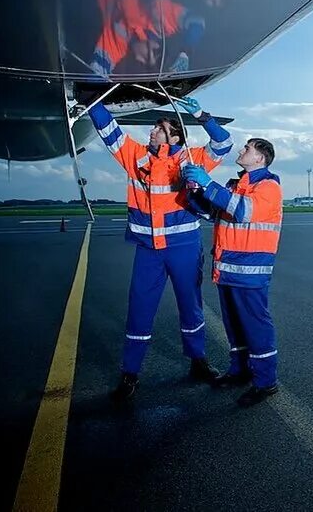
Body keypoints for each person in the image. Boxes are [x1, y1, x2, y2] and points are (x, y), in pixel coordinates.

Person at [88, 96, 232, 400]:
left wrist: (203, 116)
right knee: (139, 309)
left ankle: (198, 360)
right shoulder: (135, 156)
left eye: (160, 128)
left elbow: (223, 143)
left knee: (190, 306)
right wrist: (88, 95)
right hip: (148, 249)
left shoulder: (191, 159)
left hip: (183, 246)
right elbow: (105, 124)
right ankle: (130, 373)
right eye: (154, 128)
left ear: (176, 135)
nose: (152, 132)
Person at [182, 138, 283, 407]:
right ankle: (239, 371)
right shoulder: (234, 185)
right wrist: (194, 191)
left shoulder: (268, 186)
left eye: (247, 149)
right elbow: (208, 212)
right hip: (227, 269)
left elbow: (244, 211)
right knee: (235, 327)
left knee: (256, 327)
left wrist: (207, 182)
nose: (241, 150)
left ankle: (265, 382)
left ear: (260, 158)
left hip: (250, 271)